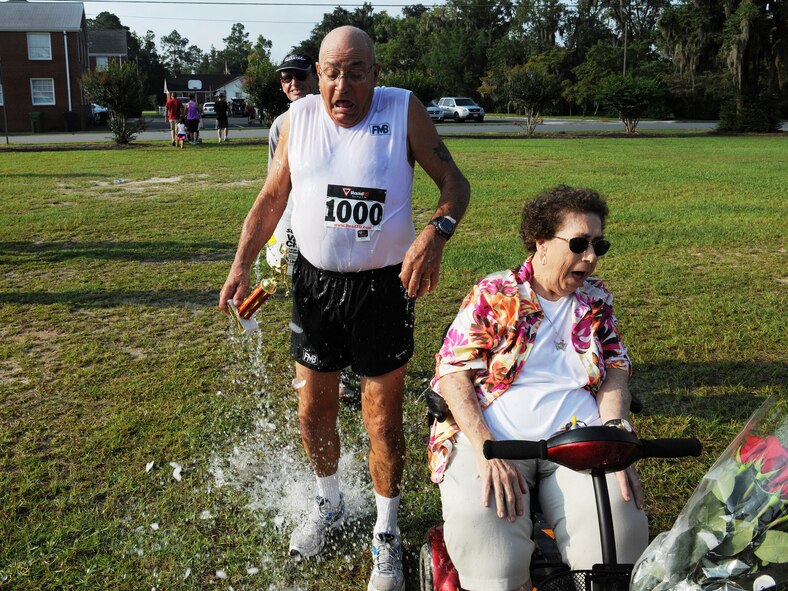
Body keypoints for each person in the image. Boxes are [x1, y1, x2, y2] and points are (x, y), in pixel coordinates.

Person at [219, 26, 470, 591]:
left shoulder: (403, 111)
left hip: (382, 289)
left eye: (356, 71)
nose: (341, 85)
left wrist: (436, 232)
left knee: (380, 417)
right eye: (331, 71)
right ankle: (329, 502)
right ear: (317, 74)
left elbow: (455, 183)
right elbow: (271, 198)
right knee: (314, 411)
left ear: (374, 75)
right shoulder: (300, 118)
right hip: (314, 287)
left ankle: (385, 529)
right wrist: (241, 264)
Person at [428, 185, 648, 591]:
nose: (592, 257)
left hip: (578, 440)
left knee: (618, 538)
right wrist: (484, 448)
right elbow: (453, 372)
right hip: (498, 441)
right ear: (541, 243)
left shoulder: (596, 299)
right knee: (493, 560)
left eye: (599, 245)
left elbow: (617, 366)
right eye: (579, 244)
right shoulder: (495, 294)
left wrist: (616, 432)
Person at [264, 53, 319, 276]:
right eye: (287, 78)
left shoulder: (341, 115)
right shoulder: (279, 125)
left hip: (331, 223)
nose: (294, 83)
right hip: (294, 219)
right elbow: (274, 185)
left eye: (301, 75)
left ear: (317, 75)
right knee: (296, 282)